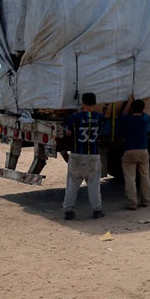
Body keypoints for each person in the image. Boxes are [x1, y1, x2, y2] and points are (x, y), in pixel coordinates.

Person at [62, 92, 105, 220]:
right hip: (93, 155)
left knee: (72, 184)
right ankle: (97, 210)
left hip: (77, 154)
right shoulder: (99, 117)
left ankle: (68, 211)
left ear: (82, 103)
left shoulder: (75, 117)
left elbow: (68, 133)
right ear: (95, 103)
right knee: (94, 184)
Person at [120, 97, 150, 210]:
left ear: (132, 109)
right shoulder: (144, 119)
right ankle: (146, 200)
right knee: (145, 176)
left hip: (129, 151)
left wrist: (129, 103)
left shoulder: (127, 119)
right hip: (143, 151)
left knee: (130, 178)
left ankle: (132, 203)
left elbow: (123, 114)